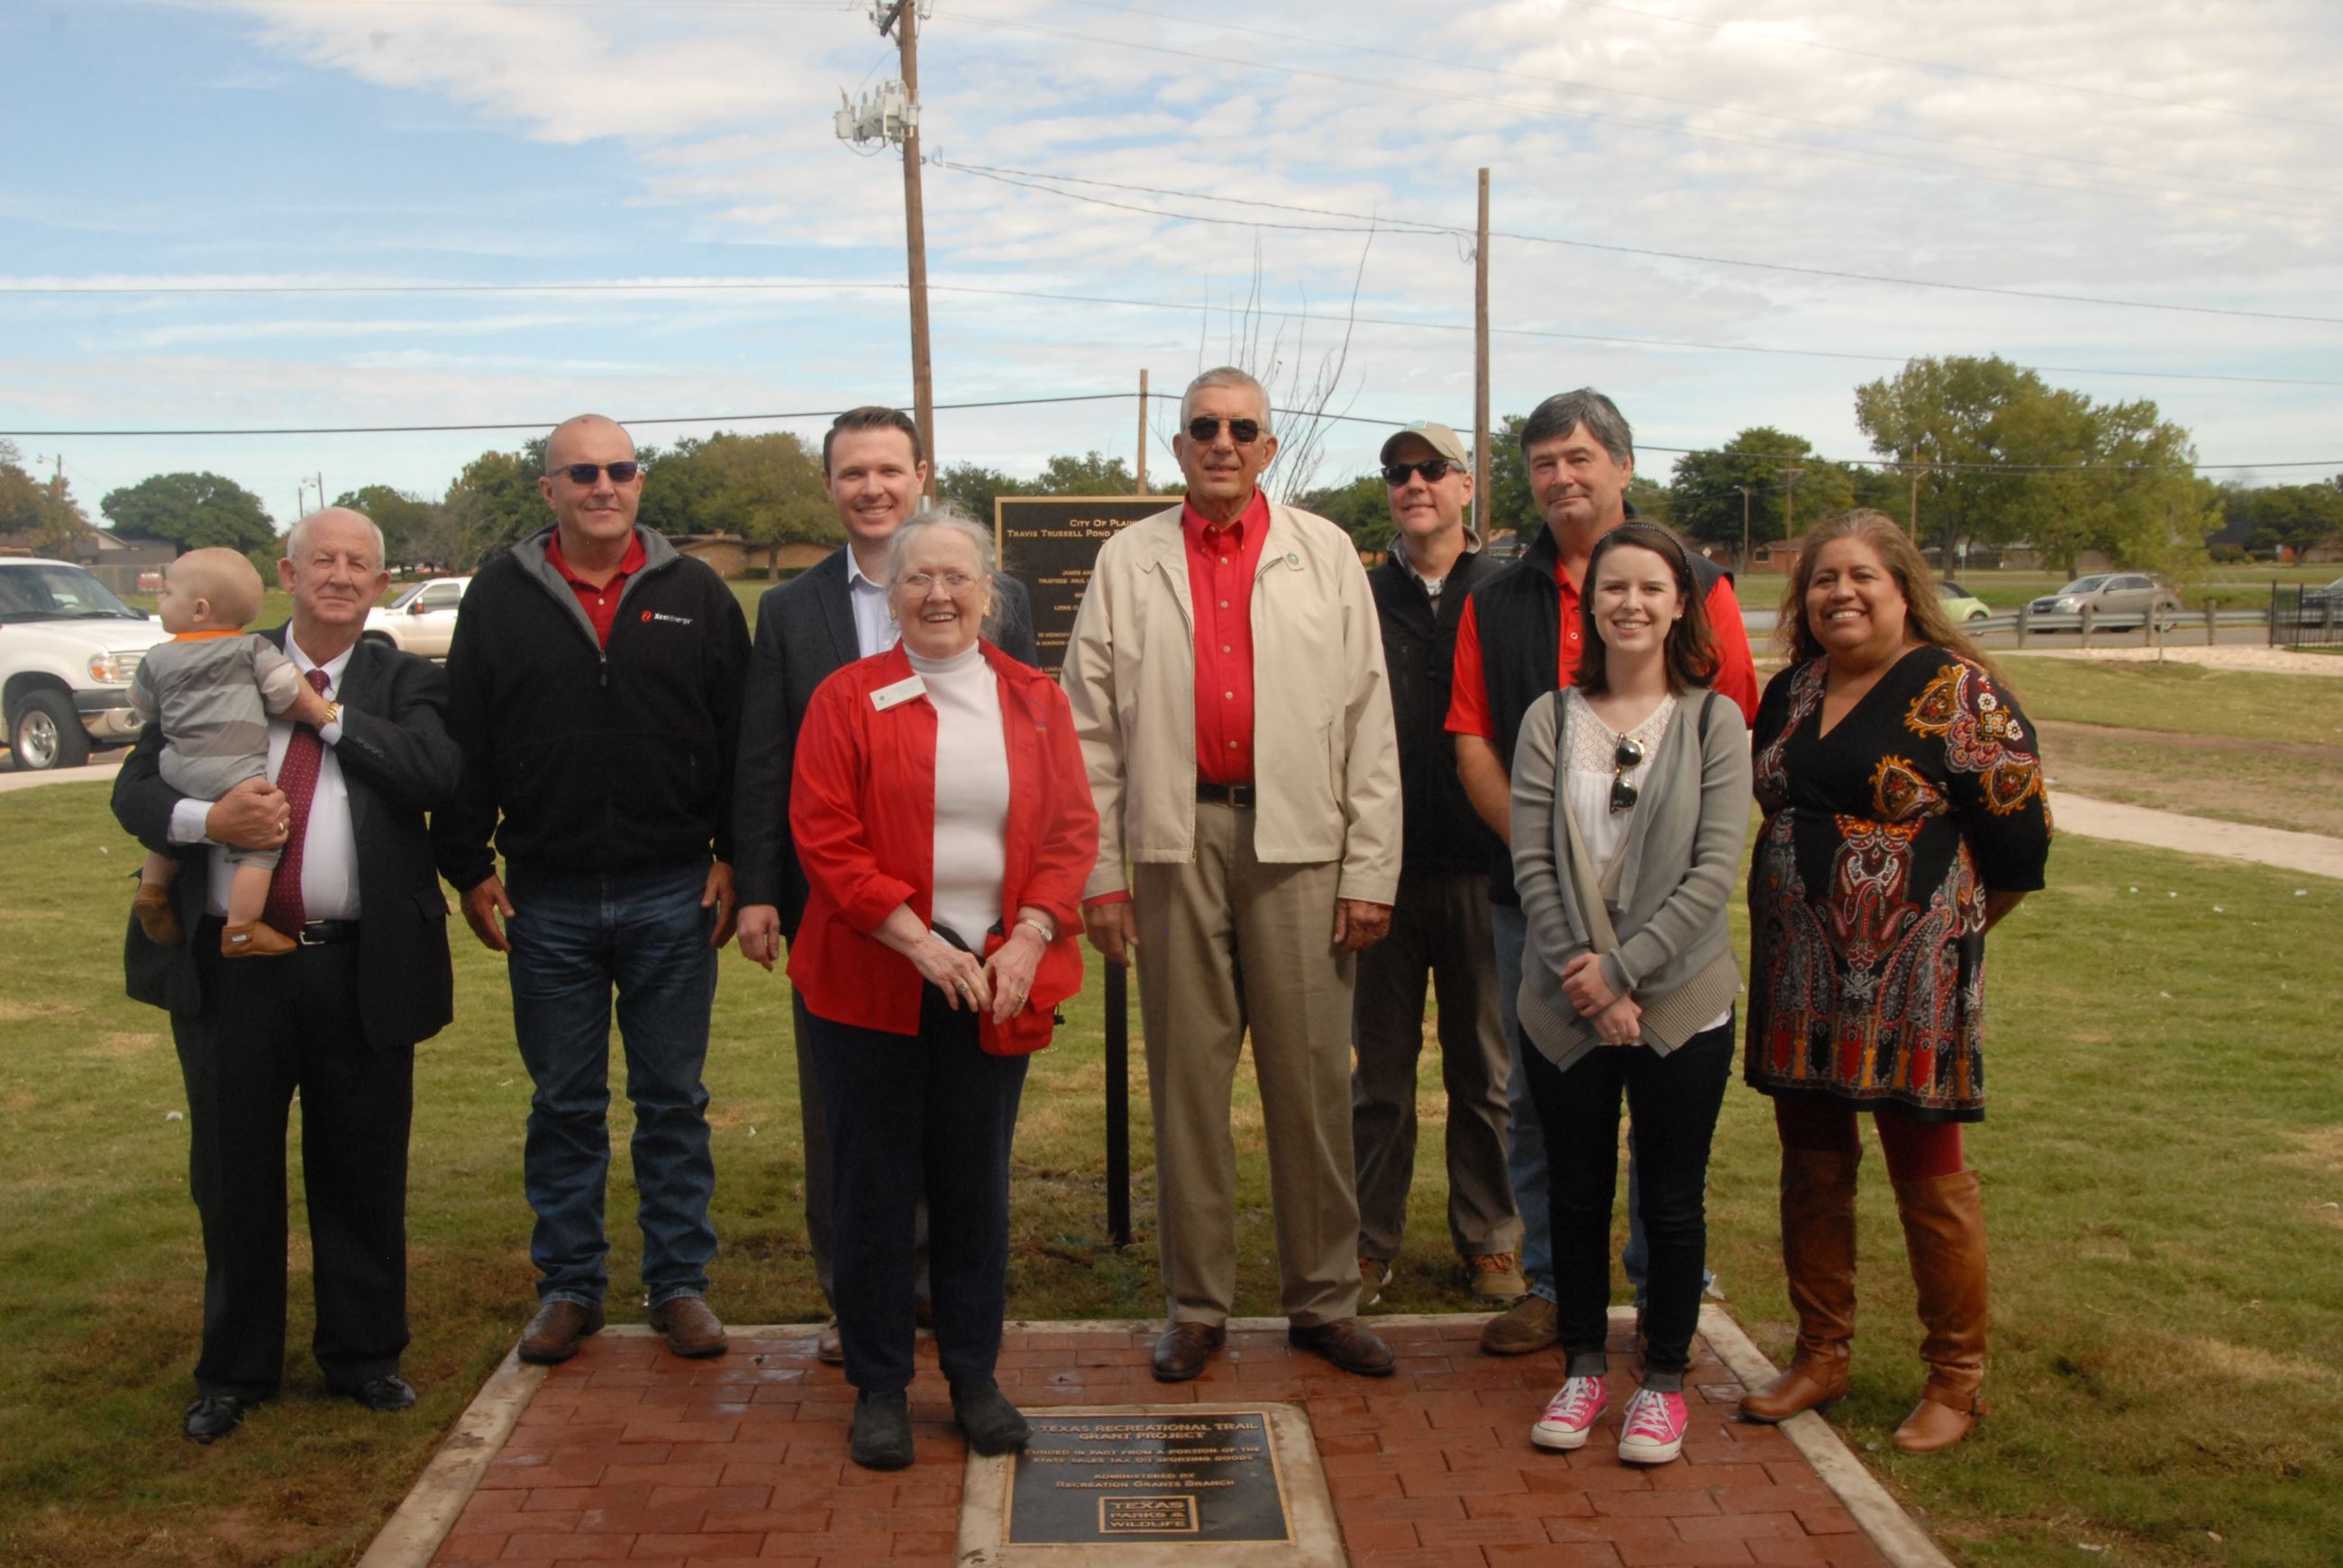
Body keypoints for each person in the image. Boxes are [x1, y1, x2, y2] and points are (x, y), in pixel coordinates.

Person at [1062, 365, 1402, 1384]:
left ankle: (1322, 1301)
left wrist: (1369, 869)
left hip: (1300, 846)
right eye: (1202, 427)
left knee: (1308, 1086)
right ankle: (1198, 1306)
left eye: (1241, 428)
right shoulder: (1128, 560)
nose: (1221, 441)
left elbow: (1366, 722)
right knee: (1186, 1089)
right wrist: (1099, 875)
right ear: (1177, 449)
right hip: (1176, 846)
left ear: (1268, 446)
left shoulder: (1325, 552)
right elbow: (1088, 730)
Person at [113, 507, 462, 1443]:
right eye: (322, 560)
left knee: (361, 1169)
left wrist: (328, 718)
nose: (341, 576)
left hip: (359, 966)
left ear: (380, 583)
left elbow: (435, 775)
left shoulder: (404, 678)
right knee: (232, 1173)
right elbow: (136, 787)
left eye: (359, 563)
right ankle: (234, 1370)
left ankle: (364, 1357)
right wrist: (204, 827)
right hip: (234, 973)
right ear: (286, 571)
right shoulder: (214, 653)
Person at [1446, 388, 1759, 1356]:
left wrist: (1626, 941)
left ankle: (1667, 1287)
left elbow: (1728, 734)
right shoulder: (1492, 594)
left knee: (1664, 1122)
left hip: (1671, 924)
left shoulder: (1699, 583)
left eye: (1578, 457)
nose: (1559, 477)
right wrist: (1568, 896)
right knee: (1543, 1111)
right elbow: (1472, 739)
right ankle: (1548, 1282)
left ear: (1622, 466)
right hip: (1538, 910)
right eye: (1541, 462)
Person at [434, 415, 751, 1366]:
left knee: (671, 1101)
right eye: (581, 473)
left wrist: (734, 855)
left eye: (618, 470)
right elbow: (466, 740)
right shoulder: (497, 597)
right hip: (549, 896)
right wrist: (469, 866)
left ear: (640, 482)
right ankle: (569, 1286)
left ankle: (678, 1284)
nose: (601, 486)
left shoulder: (696, 590)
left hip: (672, 887)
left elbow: (741, 738)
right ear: (549, 490)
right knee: (564, 1105)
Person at [787, 511, 1096, 1470]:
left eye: (956, 579)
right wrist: (917, 941)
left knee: (973, 1186)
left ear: (987, 593)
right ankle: (879, 1386)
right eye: (918, 578)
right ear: (892, 593)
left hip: (994, 979)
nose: (936, 595)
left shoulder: (1035, 700)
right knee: (874, 1187)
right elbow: (825, 837)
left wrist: (1029, 936)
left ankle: (972, 1376)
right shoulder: (847, 698)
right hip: (871, 980)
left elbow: (1068, 837)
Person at [1737, 508, 2050, 1454]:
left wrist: (1936, 934)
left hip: (1912, 980)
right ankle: (1820, 1352)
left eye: (1861, 576)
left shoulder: (1957, 693)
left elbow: (2016, 848)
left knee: (1927, 1171)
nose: (1840, 592)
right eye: (1823, 578)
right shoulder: (1790, 689)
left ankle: (1954, 1379)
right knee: (1812, 1163)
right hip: (1798, 975)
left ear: (1902, 587)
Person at [733, 406, 1036, 1366]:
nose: (871, 488)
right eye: (851, 472)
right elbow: (765, 757)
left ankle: (946, 1298)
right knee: (849, 1127)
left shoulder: (1001, 601)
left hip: (977, 915)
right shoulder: (788, 610)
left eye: (887, 470)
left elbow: (1025, 760)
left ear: (920, 475)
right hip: (845, 913)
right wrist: (757, 886)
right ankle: (857, 1302)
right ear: (829, 486)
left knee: (960, 1130)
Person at [1508, 522, 1752, 1464]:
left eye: (1651, 587)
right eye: (1613, 587)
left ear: (1679, 602)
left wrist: (1624, 972)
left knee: (1670, 1198)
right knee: (1572, 1192)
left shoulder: (1711, 721)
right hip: (1561, 999)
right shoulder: (1548, 720)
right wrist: (1587, 975)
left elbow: (1711, 871)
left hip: (1678, 1001)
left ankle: (1658, 1382)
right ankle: (1579, 1367)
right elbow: (1531, 861)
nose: (1630, 604)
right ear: (1589, 601)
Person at [1351, 421, 1522, 1310]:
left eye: (1430, 470)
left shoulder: (1505, 592)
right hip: (1378, 870)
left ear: (1464, 487)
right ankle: (1366, 1240)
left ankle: (1489, 1237)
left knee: (1481, 1071)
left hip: (1482, 868)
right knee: (1376, 1076)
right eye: (1396, 473)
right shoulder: (1356, 594)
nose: (1412, 484)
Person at [129, 547, 338, 958]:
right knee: (263, 839)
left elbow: (145, 709)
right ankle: (242, 929)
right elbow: (283, 692)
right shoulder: (252, 649)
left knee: (175, 817)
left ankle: (152, 888)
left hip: (176, 764)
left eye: (166, 593)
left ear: (199, 608)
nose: (159, 600)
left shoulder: (157, 656)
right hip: (233, 769)